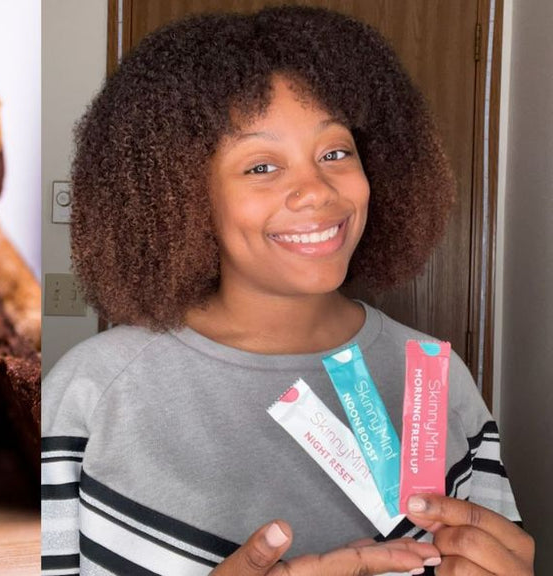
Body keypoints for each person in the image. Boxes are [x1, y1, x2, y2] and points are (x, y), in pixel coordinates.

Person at [40, 6, 533, 576]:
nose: (316, 190)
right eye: (261, 167)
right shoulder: (91, 394)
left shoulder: (441, 382)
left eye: (335, 153)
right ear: (183, 199)